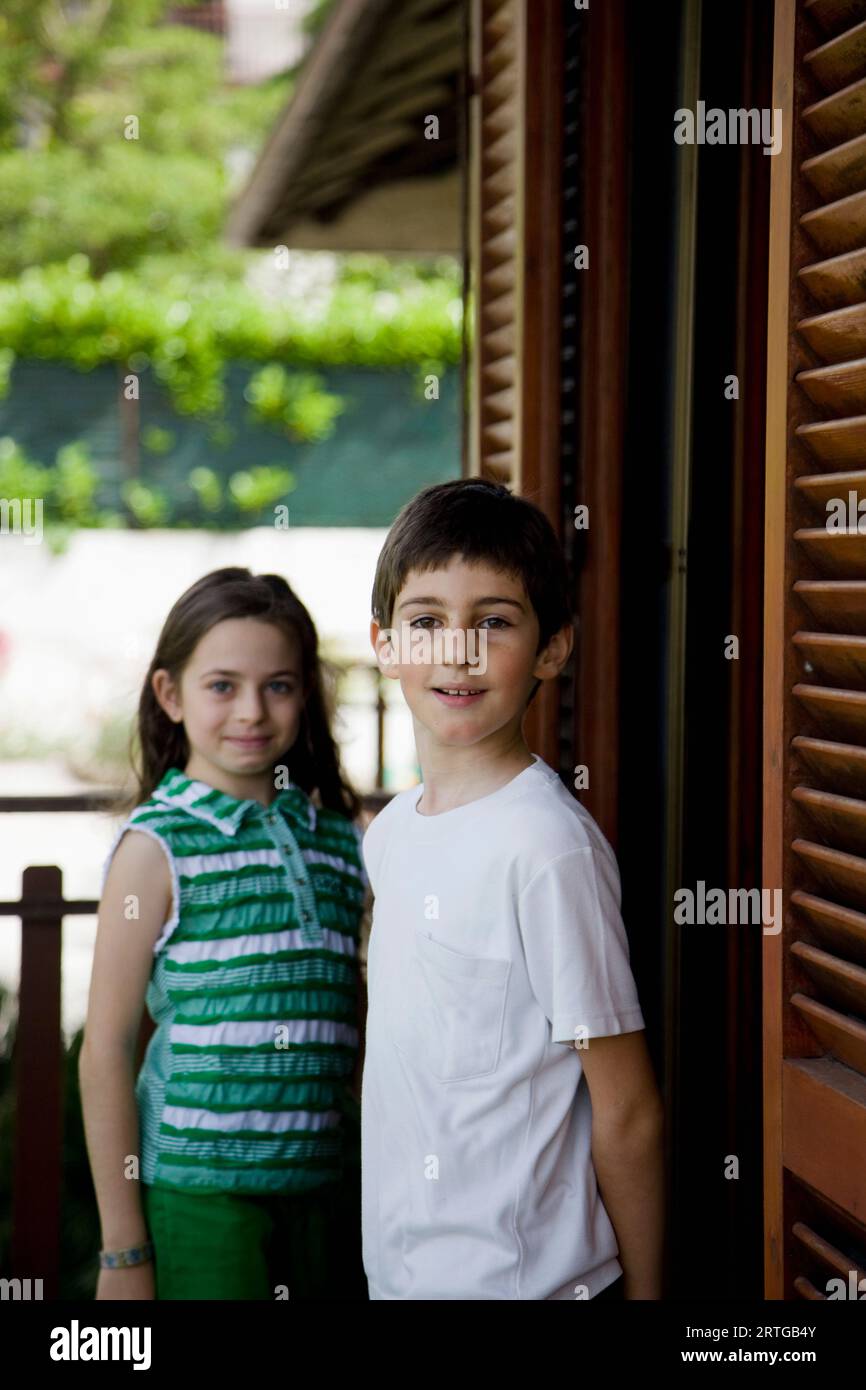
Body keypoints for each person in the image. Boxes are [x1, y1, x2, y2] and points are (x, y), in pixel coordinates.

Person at [361, 479, 665, 1300]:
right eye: (427, 622)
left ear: (552, 649)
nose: (457, 652)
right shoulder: (389, 835)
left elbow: (627, 1106)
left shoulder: (546, 846)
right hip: (402, 1279)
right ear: (385, 645)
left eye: (492, 622)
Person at [79, 567, 370, 1300]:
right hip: (199, 1199)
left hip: (327, 1193)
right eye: (222, 686)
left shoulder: (342, 842)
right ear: (170, 695)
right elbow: (107, 1048)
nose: (252, 711)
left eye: (279, 684)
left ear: (307, 693)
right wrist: (123, 1251)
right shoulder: (154, 849)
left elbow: (356, 1020)